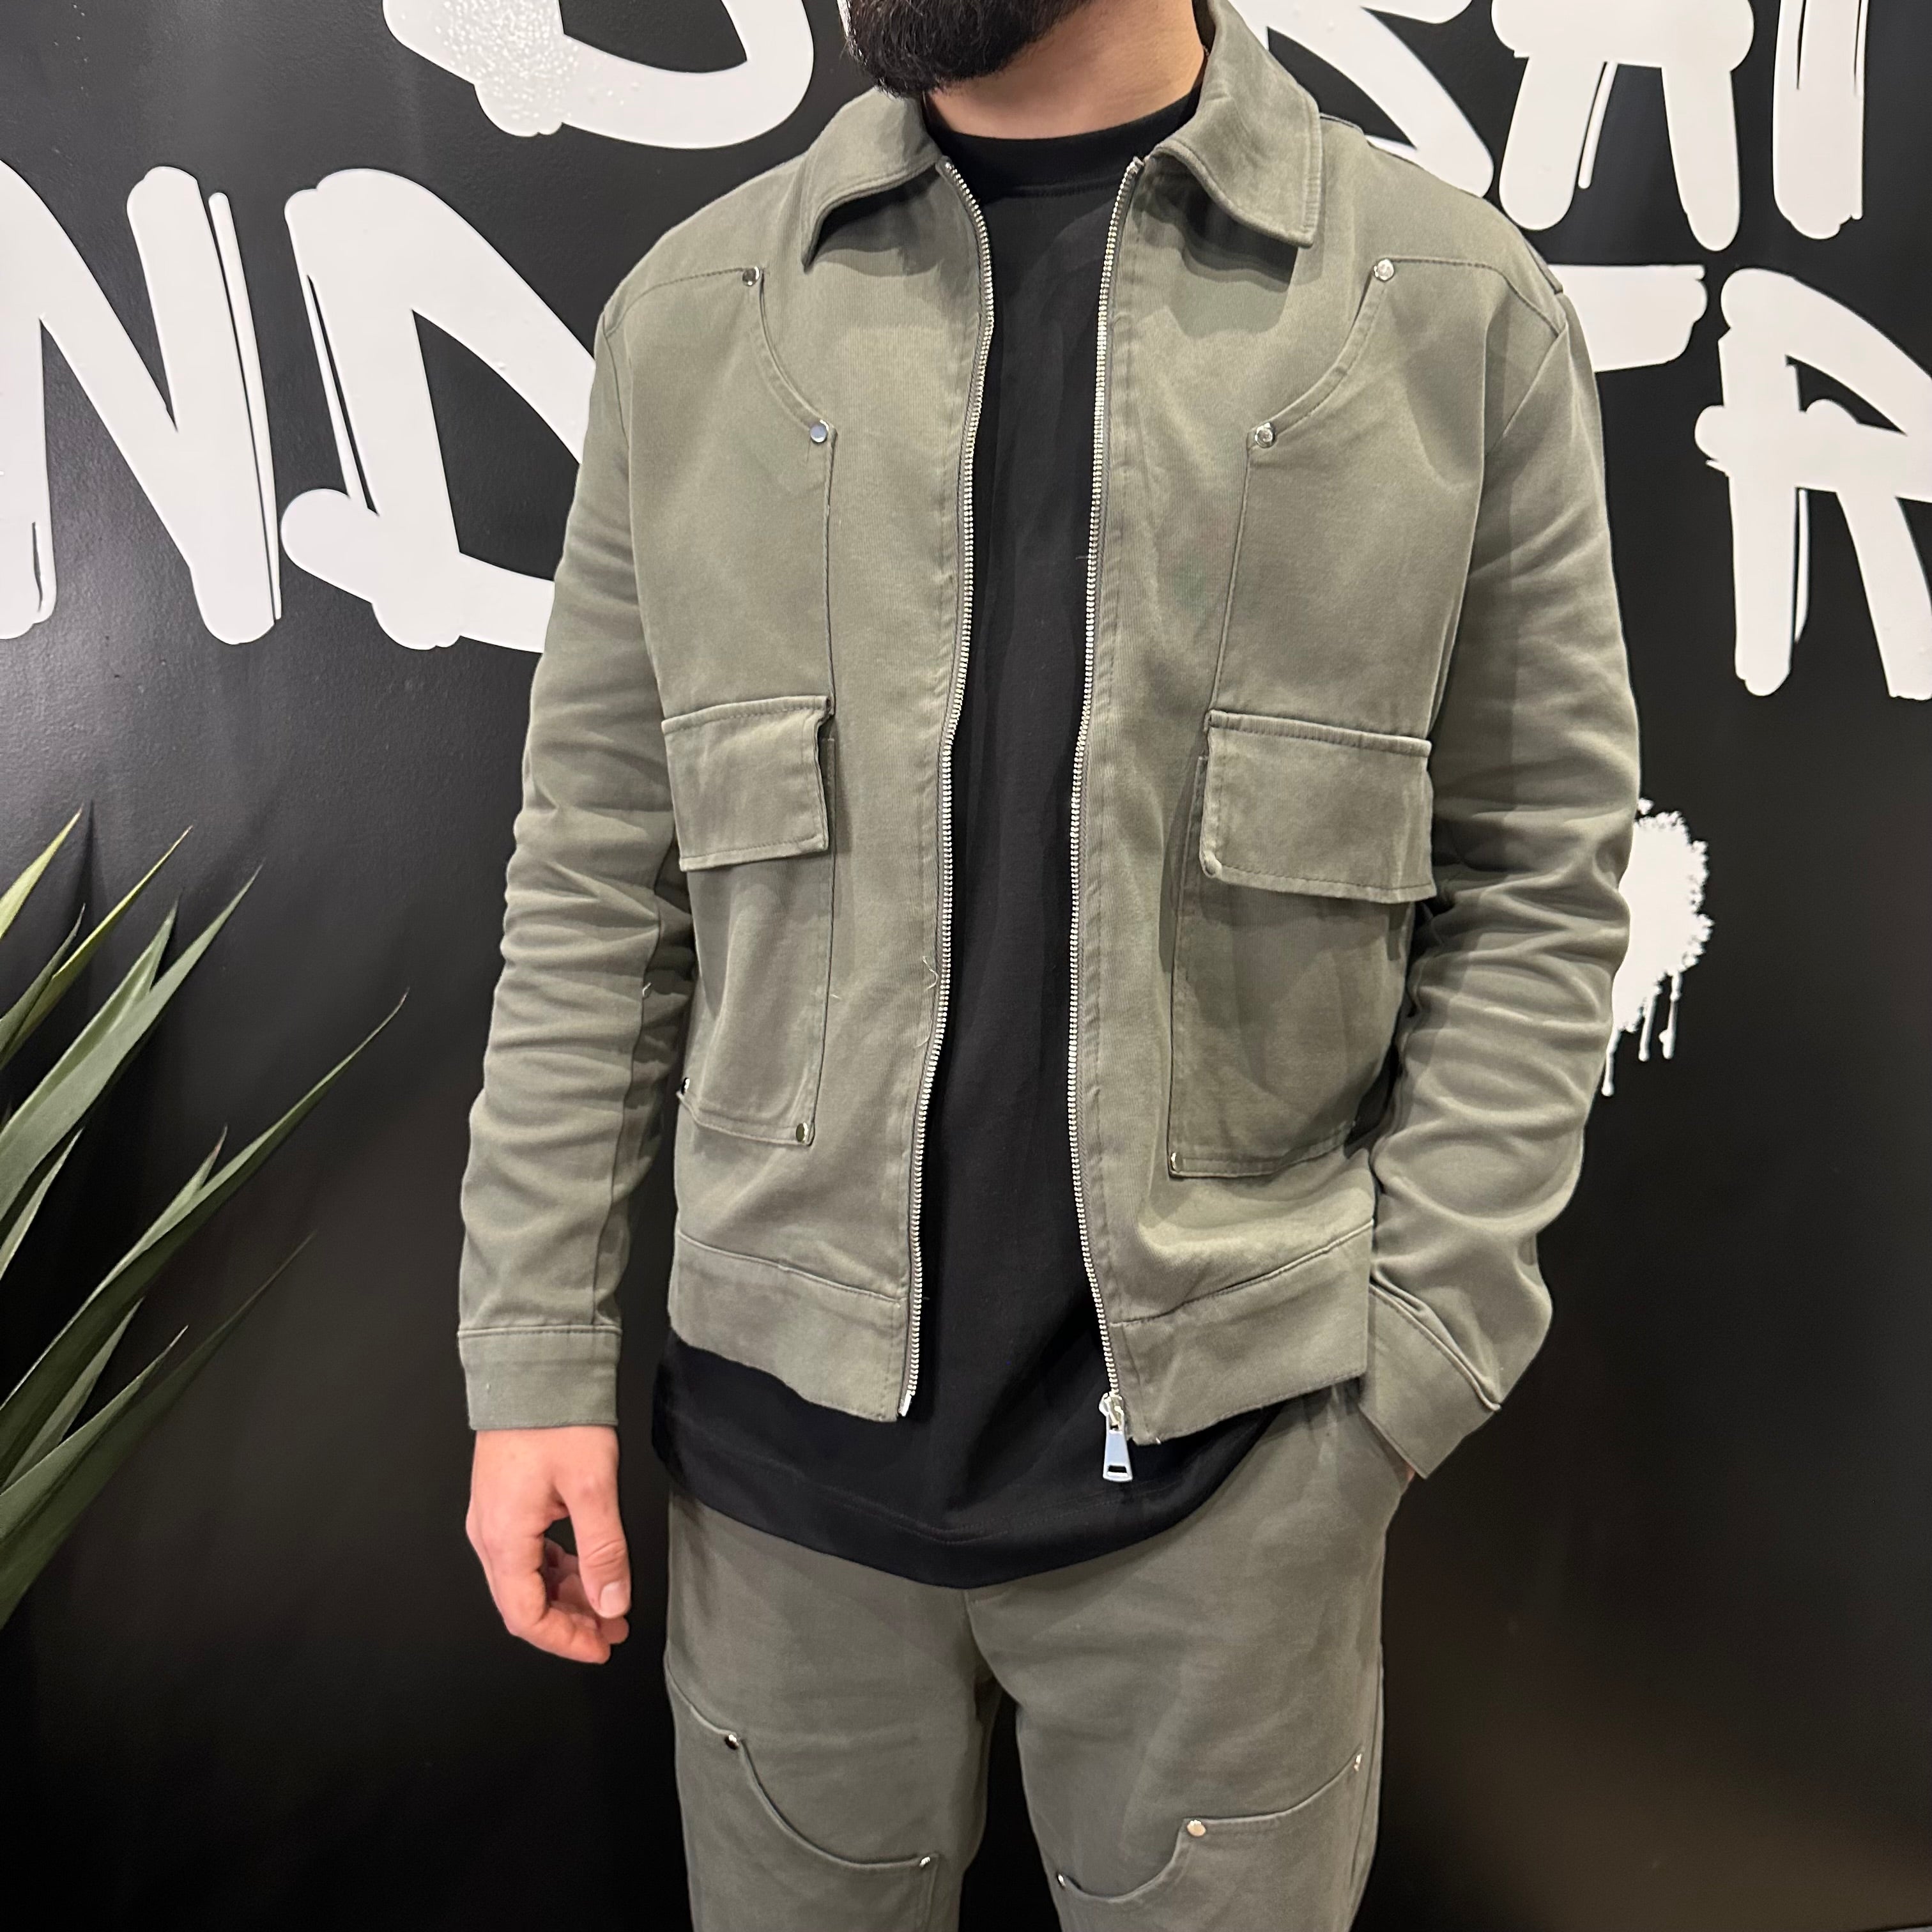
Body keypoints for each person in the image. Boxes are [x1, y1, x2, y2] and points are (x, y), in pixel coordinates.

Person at [456, 0, 1640, 1922]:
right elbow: (599, 880)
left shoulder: (1447, 306)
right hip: (778, 1501)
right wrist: (531, 1359)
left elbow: (1538, 882)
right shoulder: (693, 319)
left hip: (1235, 1494)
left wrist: (1403, 1377)